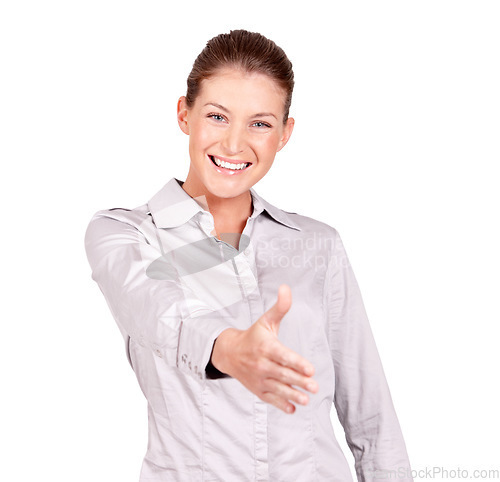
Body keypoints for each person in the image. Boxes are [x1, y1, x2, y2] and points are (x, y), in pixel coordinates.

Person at [85, 29, 413, 481]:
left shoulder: (317, 245)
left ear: (284, 134)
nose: (235, 144)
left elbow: (371, 415)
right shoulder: (124, 234)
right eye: (218, 116)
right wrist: (227, 348)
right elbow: (154, 308)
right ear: (185, 113)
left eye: (259, 123)